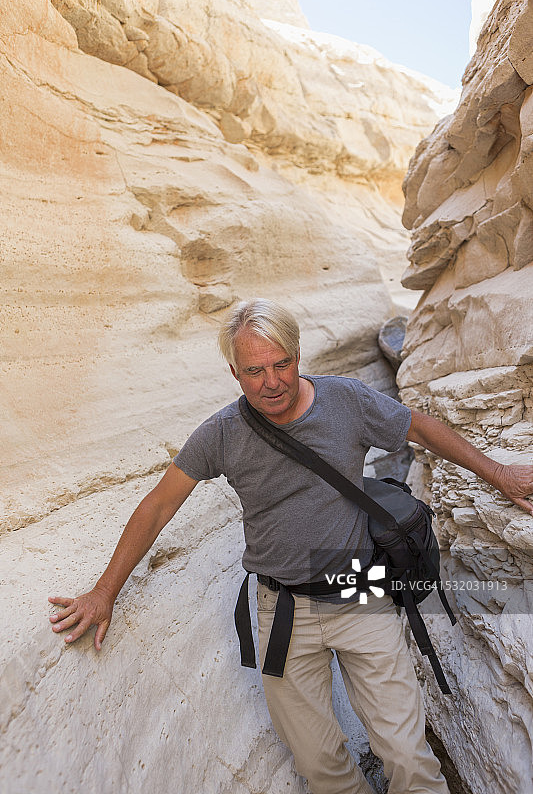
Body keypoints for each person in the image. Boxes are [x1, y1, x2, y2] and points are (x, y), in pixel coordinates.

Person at [49, 298, 533, 794]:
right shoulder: (221, 433)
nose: (271, 381)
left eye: (281, 364)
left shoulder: (346, 401)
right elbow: (157, 506)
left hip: (359, 591)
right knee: (320, 766)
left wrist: (499, 474)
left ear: (299, 355)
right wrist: (104, 591)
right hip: (282, 609)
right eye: (255, 370)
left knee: (408, 758)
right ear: (234, 372)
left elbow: (419, 427)